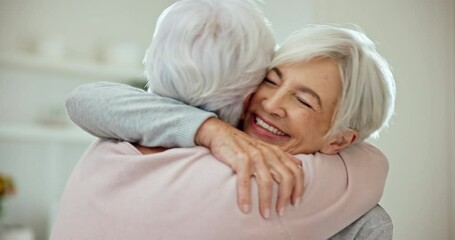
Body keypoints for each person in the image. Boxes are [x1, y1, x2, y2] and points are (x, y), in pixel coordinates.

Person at [52, 0, 395, 239]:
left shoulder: (361, 222)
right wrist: (210, 129)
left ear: (341, 140)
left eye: (303, 100)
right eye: (270, 79)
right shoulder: (183, 139)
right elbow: (88, 99)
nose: (270, 103)